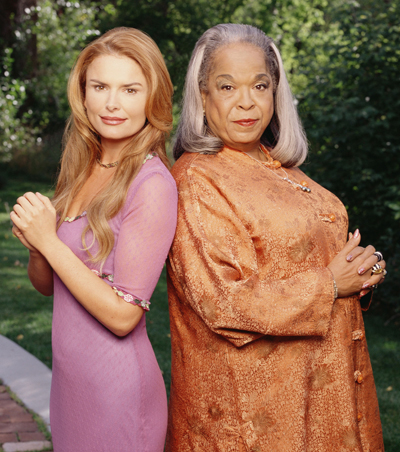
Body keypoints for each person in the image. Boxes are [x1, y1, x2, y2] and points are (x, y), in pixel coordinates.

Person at [166, 23, 386, 451]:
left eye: (260, 85)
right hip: (253, 415)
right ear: (203, 95)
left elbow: (314, 257)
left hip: (324, 392)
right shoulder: (197, 179)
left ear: (275, 91)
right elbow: (224, 302)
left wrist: (361, 273)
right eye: (227, 86)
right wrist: (331, 284)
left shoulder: (278, 165)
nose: (246, 101)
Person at [10, 27, 177, 452]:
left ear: (152, 98)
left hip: (117, 393)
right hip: (71, 388)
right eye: (100, 86)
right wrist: (36, 246)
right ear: (83, 94)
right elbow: (48, 286)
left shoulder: (152, 184)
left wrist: (49, 242)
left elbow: (124, 316)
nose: (112, 103)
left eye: (130, 90)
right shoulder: (82, 167)